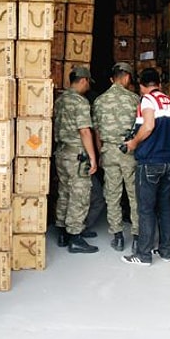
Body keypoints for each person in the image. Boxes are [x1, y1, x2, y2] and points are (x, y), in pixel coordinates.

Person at [121, 68, 170, 266]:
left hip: (150, 163)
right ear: (160, 84)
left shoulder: (147, 100)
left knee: (145, 210)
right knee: (164, 207)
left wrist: (134, 143)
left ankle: (144, 254)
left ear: (141, 86)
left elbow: (148, 126)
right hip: (169, 163)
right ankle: (165, 250)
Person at [92, 62, 140, 252]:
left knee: (112, 195)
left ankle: (118, 237)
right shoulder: (135, 99)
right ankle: (137, 238)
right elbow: (141, 128)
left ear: (113, 77)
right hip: (128, 151)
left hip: (108, 151)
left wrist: (100, 151)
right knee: (134, 195)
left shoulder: (99, 101)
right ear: (127, 77)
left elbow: (96, 132)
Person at [53, 66, 99, 254]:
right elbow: (85, 130)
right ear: (83, 80)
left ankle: (63, 232)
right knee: (79, 194)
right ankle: (75, 237)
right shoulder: (80, 102)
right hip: (76, 155)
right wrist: (93, 158)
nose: (88, 86)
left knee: (64, 192)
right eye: (88, 82)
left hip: (62, 152)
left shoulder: (60, 100)